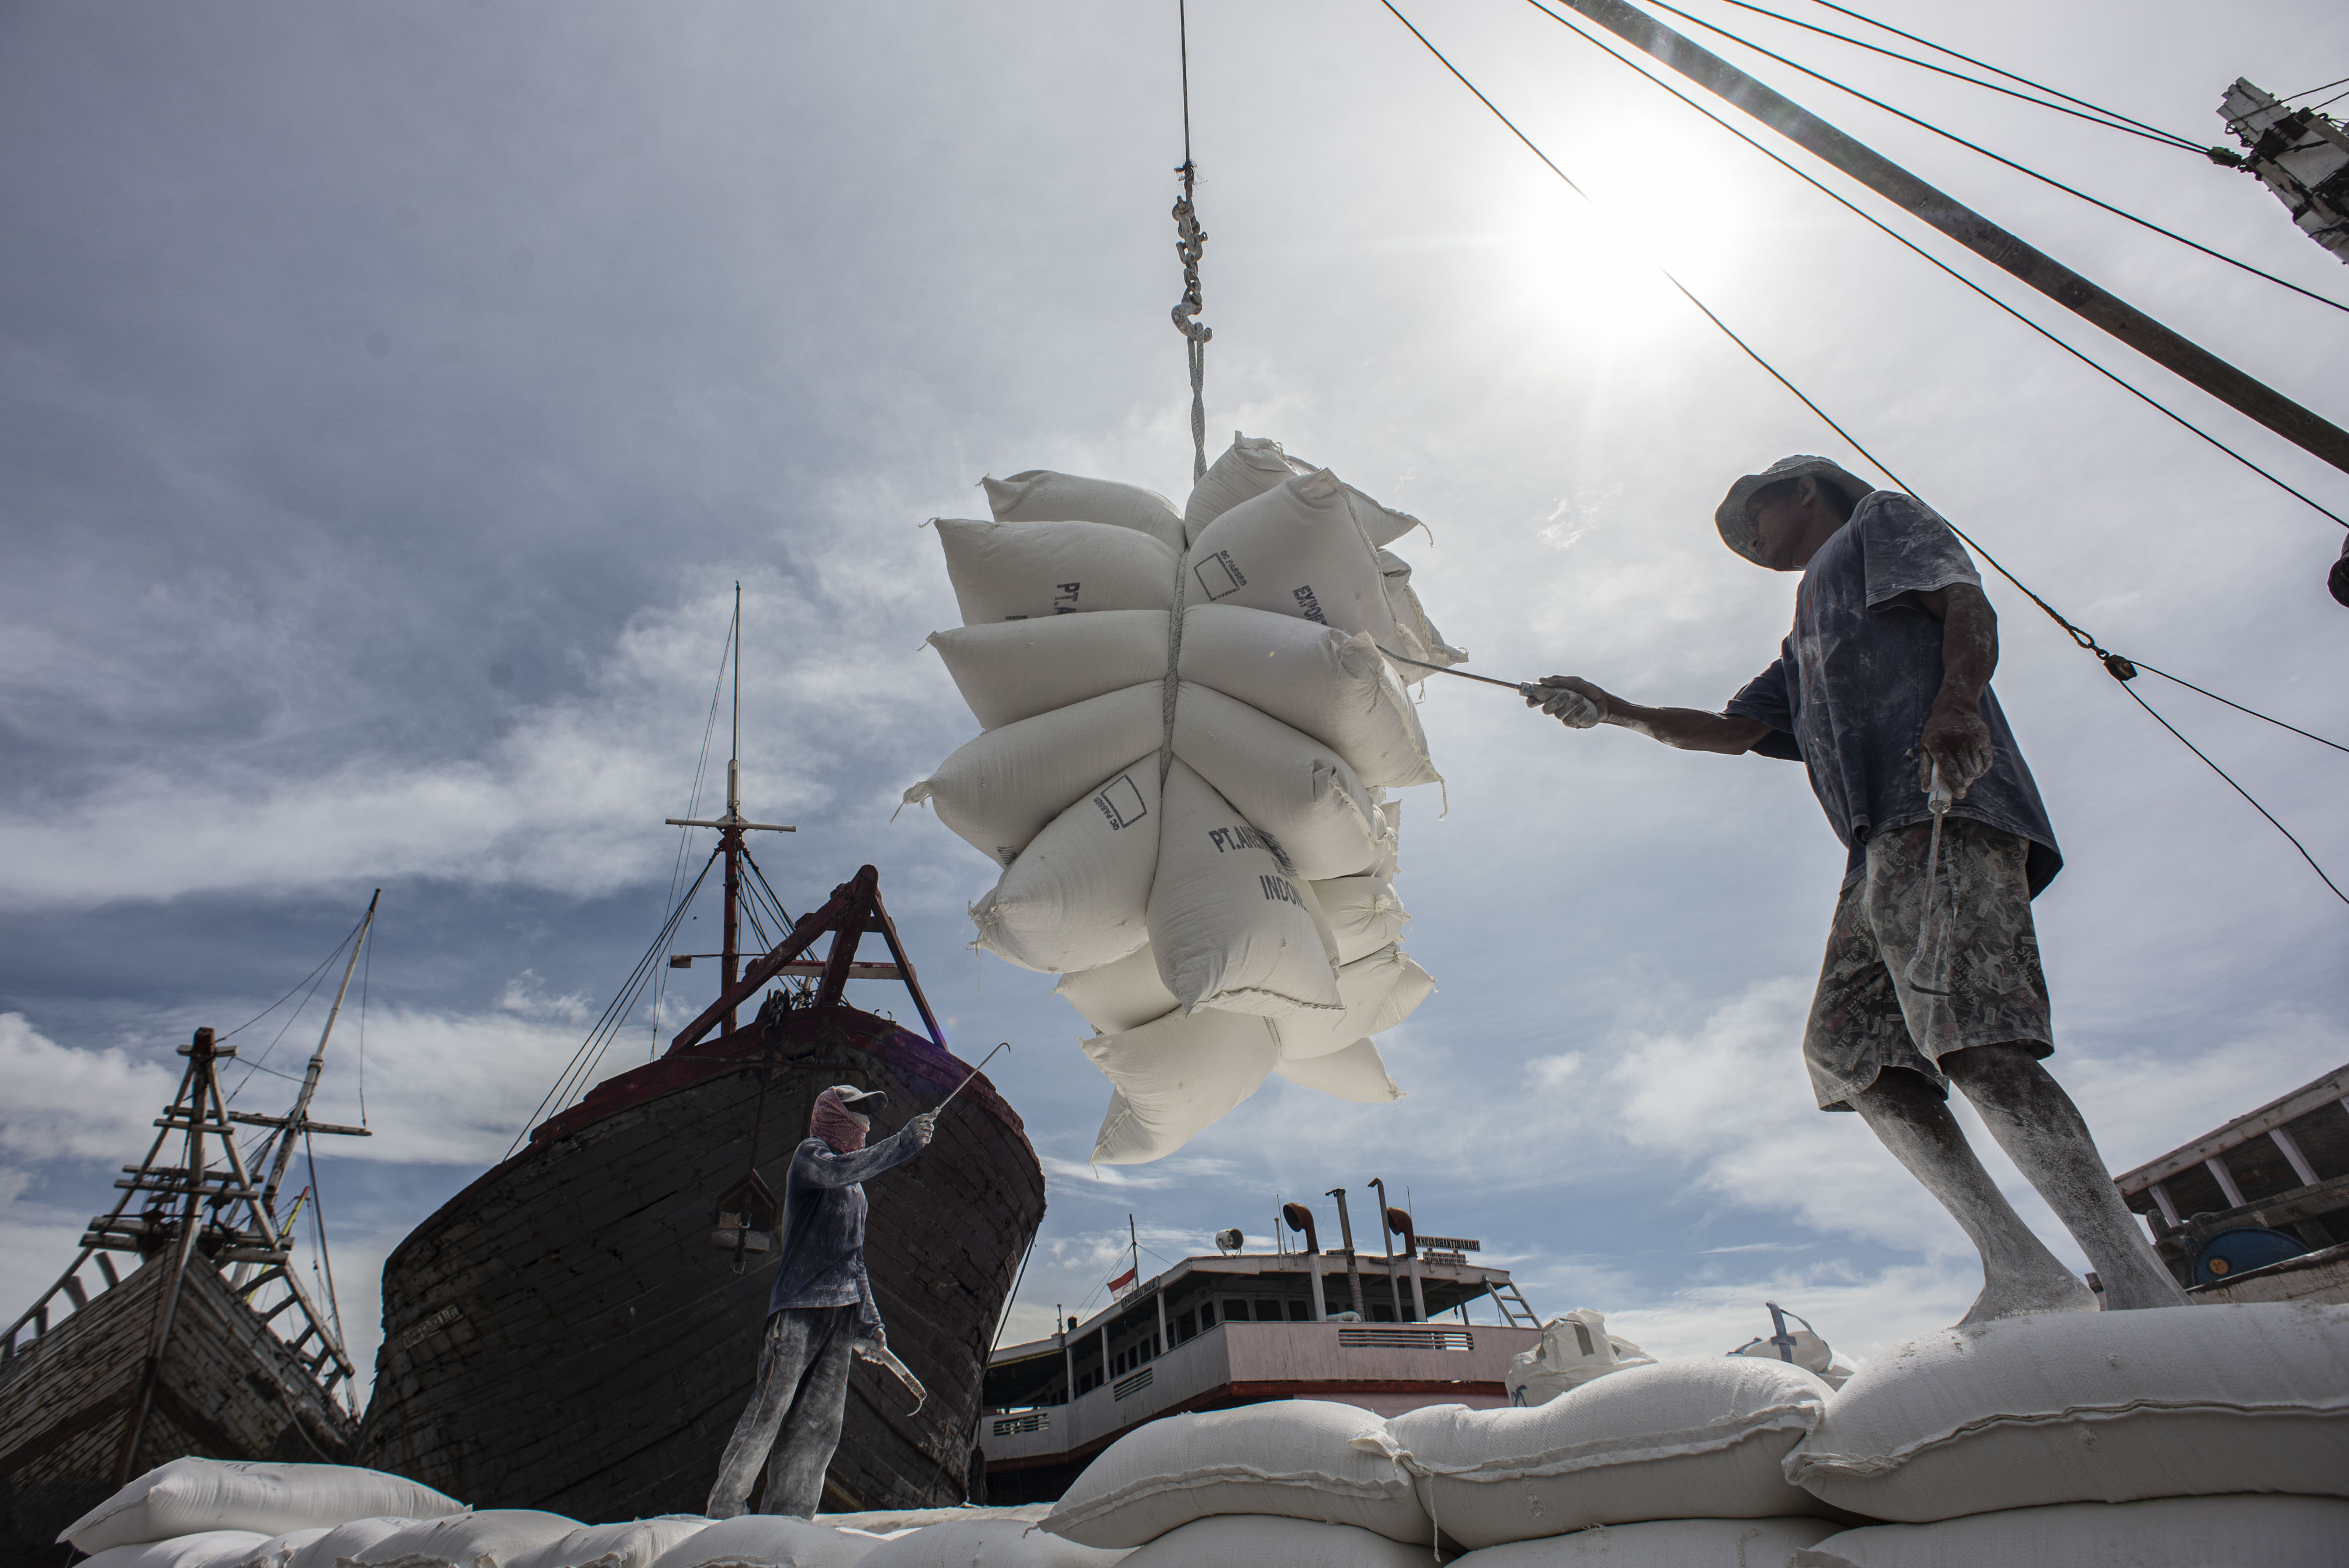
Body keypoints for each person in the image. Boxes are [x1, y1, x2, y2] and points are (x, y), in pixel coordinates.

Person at [1529, 455, 2185, 1321]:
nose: (1747, 544)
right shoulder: (1804, 635)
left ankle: (2135, 1278)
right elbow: (1731, 732)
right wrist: (1612, 709)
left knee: (1974, 1034)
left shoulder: (1879, 522)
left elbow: (1965, 605)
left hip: (1943, 798)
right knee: (1852, 1052)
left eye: (1749, 523)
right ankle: (2023, 1269)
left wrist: (1958, 703)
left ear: (1803, 489)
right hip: (1880, 844)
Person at [706, 1084, 936, 1519]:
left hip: (841, 1319)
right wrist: (904, 1143)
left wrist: (870, 1324)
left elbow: (855, 1261)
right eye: (860, 1111)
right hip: (798, 1310)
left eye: (869, 1113)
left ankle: (789, 1516)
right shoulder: (810, 1158)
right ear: (834, 1115)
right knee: (771, 1409)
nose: (868, 1122)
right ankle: (726, 1506)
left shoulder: (858, 1194)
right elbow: (842, 1170)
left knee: (819, 1424)